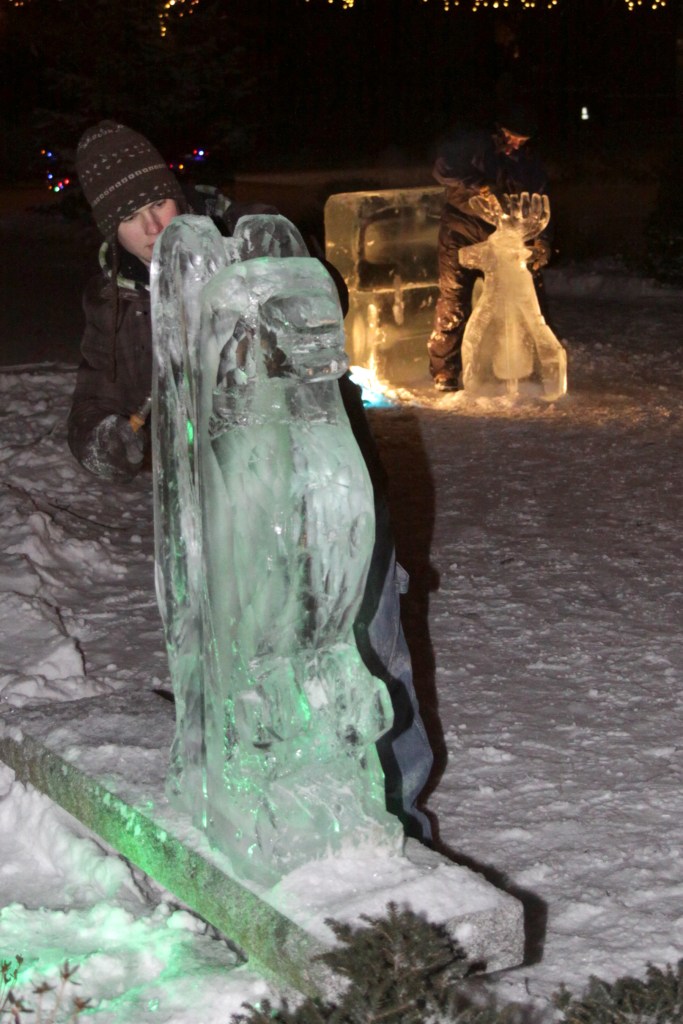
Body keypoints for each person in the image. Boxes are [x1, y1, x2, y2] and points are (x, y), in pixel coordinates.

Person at [68, 120, 434, 842]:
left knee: (368, 658)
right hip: (225, 528)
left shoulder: (253, 242)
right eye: (129, 217)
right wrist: (120, 439)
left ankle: (402, 828)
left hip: (315, 502)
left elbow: (319, 321)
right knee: (255, 672)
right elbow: (92, 420)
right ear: (108, 225)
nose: (151, 225)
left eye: (158, 204)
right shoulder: (114, 297)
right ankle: (272, 826)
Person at [428, 104, 552, 391]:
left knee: (526, 298)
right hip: (461, 230)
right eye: (512, 137)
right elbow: (442, 169)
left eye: (523, 140)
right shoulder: (473, 143)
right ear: (499, 130)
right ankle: (444, 371)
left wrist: (542, 240)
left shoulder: (528, 162)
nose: (516, 144)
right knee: (454, 299)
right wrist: (480, 185)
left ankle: (528, 366)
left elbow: (540, 200)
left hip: (506, 238)